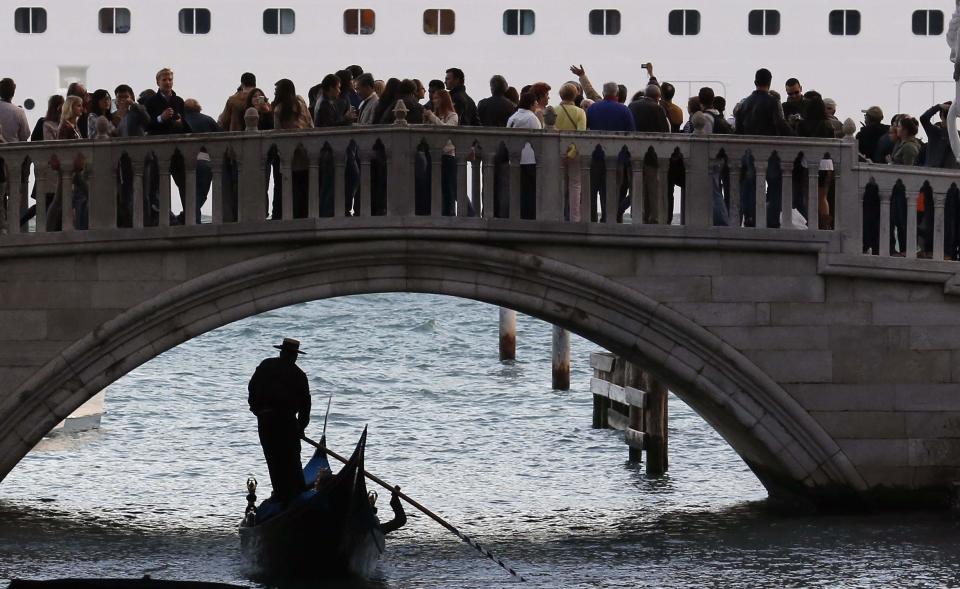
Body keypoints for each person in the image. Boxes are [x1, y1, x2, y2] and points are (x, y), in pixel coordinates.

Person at [248, 338, 312, 506]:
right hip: (288, 423)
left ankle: (282, 495)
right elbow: (306, 404)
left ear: (282, 352)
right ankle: (297, 493)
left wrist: (258, 411)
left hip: (266, 420)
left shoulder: (265, 365)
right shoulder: (299, 375)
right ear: (295, 356)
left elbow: (252, 389)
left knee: (274, 459)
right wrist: (301, 426)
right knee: (292, 459)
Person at [271, 79, 313, 218]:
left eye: (276, 90)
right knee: (305, 190)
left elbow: (278, 134)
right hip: (306, 151)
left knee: (291, 191)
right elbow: (311, 125)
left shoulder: (279, 109)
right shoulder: (301, 104)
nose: (275, 93)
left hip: (290, 155)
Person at [554, 83, 586, 222]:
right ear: (576, 95)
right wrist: (572, 152)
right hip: (574, 153)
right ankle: (575, 218)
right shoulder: (580, 112)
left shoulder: (553, 110)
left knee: (559, 184)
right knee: (575, 185)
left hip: (557, 153)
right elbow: (581, 134)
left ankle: (558, 216)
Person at [735, 68, 793, 136]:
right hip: (768, 144)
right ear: (769, 83)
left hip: (748, 144)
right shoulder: (773, 102)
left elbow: (738, 129)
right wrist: (795, 136)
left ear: (755, 82)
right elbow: (780, 124)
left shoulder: (744, 104)